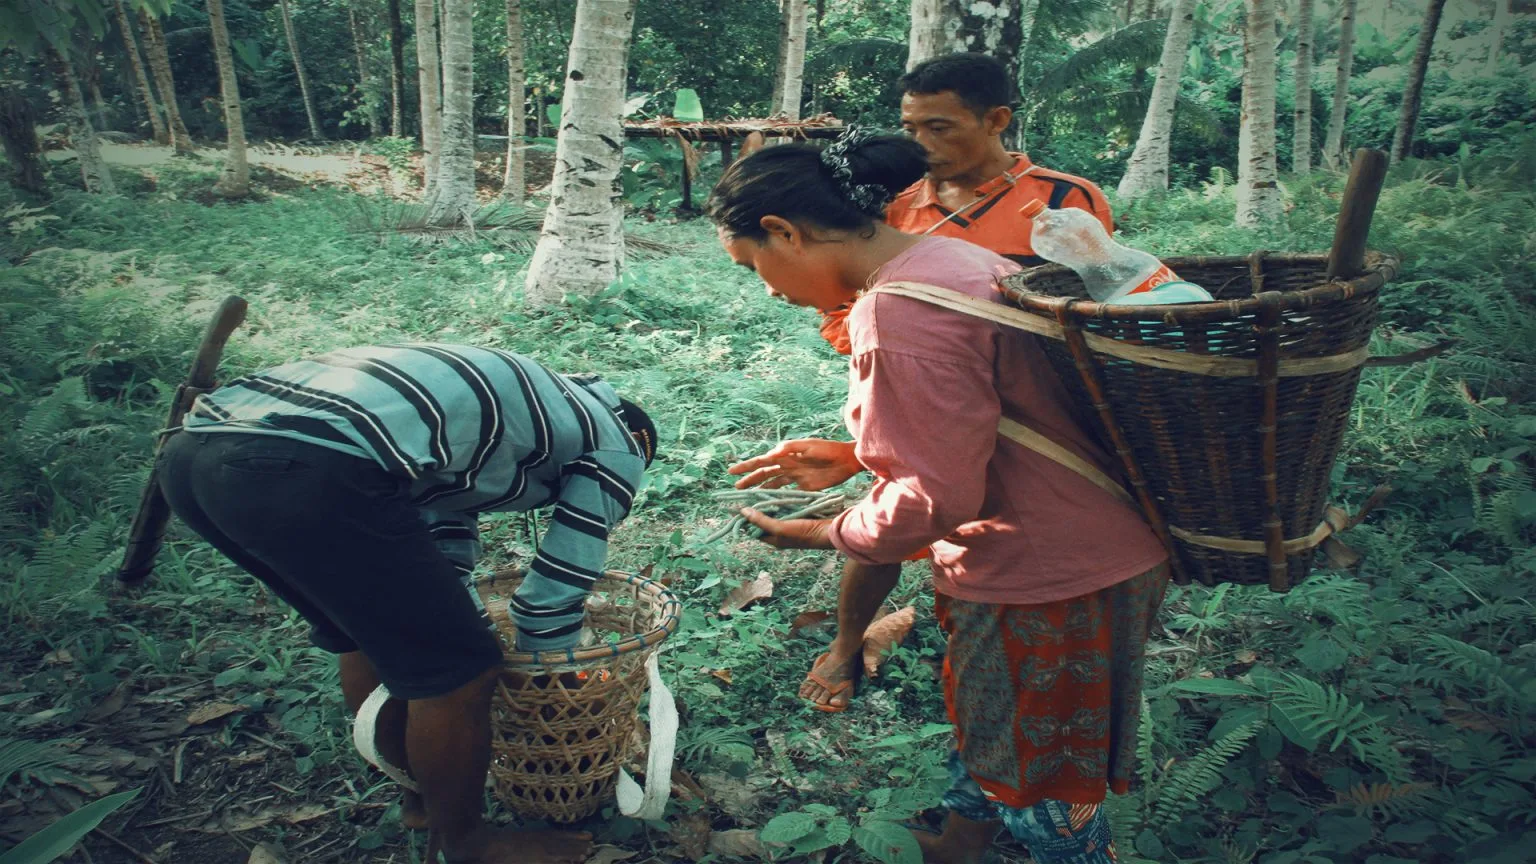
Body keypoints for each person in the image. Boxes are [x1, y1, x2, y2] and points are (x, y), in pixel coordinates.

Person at [706, 130, 1168, 864]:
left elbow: (934, 499)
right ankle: (959, 846)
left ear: (783, 232)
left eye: (751, 264)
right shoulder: (957, 258)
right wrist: (857, 455)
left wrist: (823, 532)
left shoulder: (894, 311)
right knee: (995, 720)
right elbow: (999, 409)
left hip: (1040, 576)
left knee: (1046, 788)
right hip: (1104, 542)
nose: (766, 288)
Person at [156, 343, 658, 864]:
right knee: (460, 669)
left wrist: (458, 620)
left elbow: (443, 549)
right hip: (301, 466)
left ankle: (422, 797)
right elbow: (549, 603)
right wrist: (557, 707)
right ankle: (467, 843)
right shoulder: (620, 445)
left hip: (194, 456)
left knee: (368, 636)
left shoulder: (525, 412)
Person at [816, 51, 1114, 354]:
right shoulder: (890, 205)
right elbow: (839, 309)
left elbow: (1096, 303)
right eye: (910, 130)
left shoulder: (1064, 199)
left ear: (996, 120)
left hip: (1032, 377)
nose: (920, 146)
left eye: (939, 129)